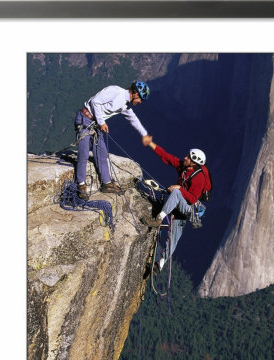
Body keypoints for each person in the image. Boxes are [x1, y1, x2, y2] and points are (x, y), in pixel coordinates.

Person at [141, 141, 211, 273]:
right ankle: (159, 265)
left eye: (188, 157)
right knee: (173, 239)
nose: (185, 158)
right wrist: (151, 144)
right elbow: (167, 157)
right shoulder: (184, 168)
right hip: (180, 205)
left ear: (194, 162)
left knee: (177, 192)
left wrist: (178, 188)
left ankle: (159, 218)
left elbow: (193, 199)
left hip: (188, 209)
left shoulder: (199, 178)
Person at [74, 81, 152, 199]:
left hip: (95, 124)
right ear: (135, 94)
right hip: (85, 119)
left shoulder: (125, 105)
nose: (140, 102)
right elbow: (95, 102)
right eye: (141, 99)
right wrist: (102, 122)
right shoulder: (115, 91)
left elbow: (133, 119)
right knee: (84, 153)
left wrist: (144, 134)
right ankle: (81, 185)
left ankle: (106, 184)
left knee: (102, 153)